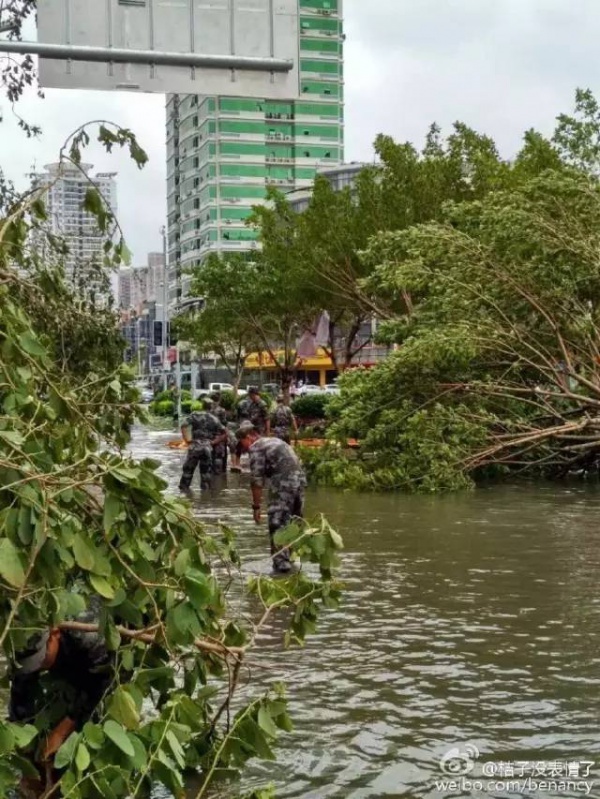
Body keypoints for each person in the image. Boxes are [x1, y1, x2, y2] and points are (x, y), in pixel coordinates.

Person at [9, 598, 114, 797]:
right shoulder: (24, 640)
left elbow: (101, 684)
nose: (36, 666)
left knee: (93, 722)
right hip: (68, 655)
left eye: (39, 660)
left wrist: (61, 731)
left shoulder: (88, 637)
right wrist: (26, 758)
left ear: (55, 633)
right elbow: (20, 693)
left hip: (105, 661)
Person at [236, 422, 306, 573]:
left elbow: (256, 481)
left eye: (242, 444)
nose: (244, 449)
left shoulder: (256, 447)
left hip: (283, 481)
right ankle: (292, 556)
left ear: (248, 437)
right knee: (295, 520)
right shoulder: (275, 440)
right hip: (300, 480)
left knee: (277, 521)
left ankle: (281, 563)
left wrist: (256, 507)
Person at [179, 398, 228, 491]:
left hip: (194, 447)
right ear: (211, 407)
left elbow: (183, 426)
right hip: (207, 448)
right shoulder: (215, 419)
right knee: (205, 474)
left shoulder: (194, 415)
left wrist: (187, 440)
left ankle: (183, 493)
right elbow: (225, 433)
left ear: (202, 405)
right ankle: (205, 497)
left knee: (187, 472)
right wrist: (213, 442)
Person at [231, 387, 270, 473]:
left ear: (255, 394)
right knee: (242, 444)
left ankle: (261, 465)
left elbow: (267, 419)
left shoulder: (262, 404)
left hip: (259, 430)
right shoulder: (251, 403)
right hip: (250, 429)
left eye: (251, 395)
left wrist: (267, 432)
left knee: (258, 447)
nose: (250, 397)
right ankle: (238, 464)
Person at [210, 392, 230, 474]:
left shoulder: (207, 411)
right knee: (220, 457)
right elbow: (224, 424)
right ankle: (220, 477)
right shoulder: (221, 410)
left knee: (211, 456)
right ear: (219, 400)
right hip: (220, 437)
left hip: (210, 437)